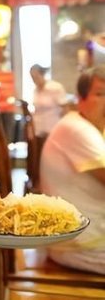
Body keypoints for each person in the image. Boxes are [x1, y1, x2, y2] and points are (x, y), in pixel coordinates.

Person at [40, 65, 105, 275]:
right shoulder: (78, 129)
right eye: (100, 93)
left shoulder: (91, 126)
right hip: (82, 244)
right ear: (80, 99)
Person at [29, 64, 67, 139]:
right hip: (38, 130)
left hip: (53, 129)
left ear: (42, 75)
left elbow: (65, 108)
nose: (34, 80)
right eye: (32, 78)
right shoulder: (35, 91)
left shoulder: (55, 88)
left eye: (36, 77)